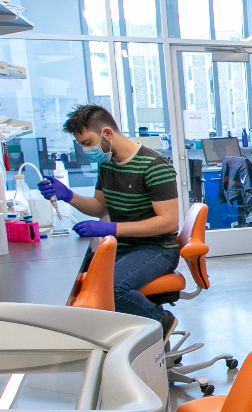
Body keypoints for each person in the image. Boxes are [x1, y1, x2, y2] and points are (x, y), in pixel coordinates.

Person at [40, 105, 180, 334]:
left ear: (107, 133)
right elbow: (98, 207)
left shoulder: (154, 165)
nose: (86, 150)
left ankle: (160, 322)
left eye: (88, 143)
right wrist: (68, 196)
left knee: (111, 289)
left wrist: (111, 228)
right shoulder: (107, 164)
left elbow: (168, 222)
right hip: (123, 248)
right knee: (79, 283)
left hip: (157, 249)